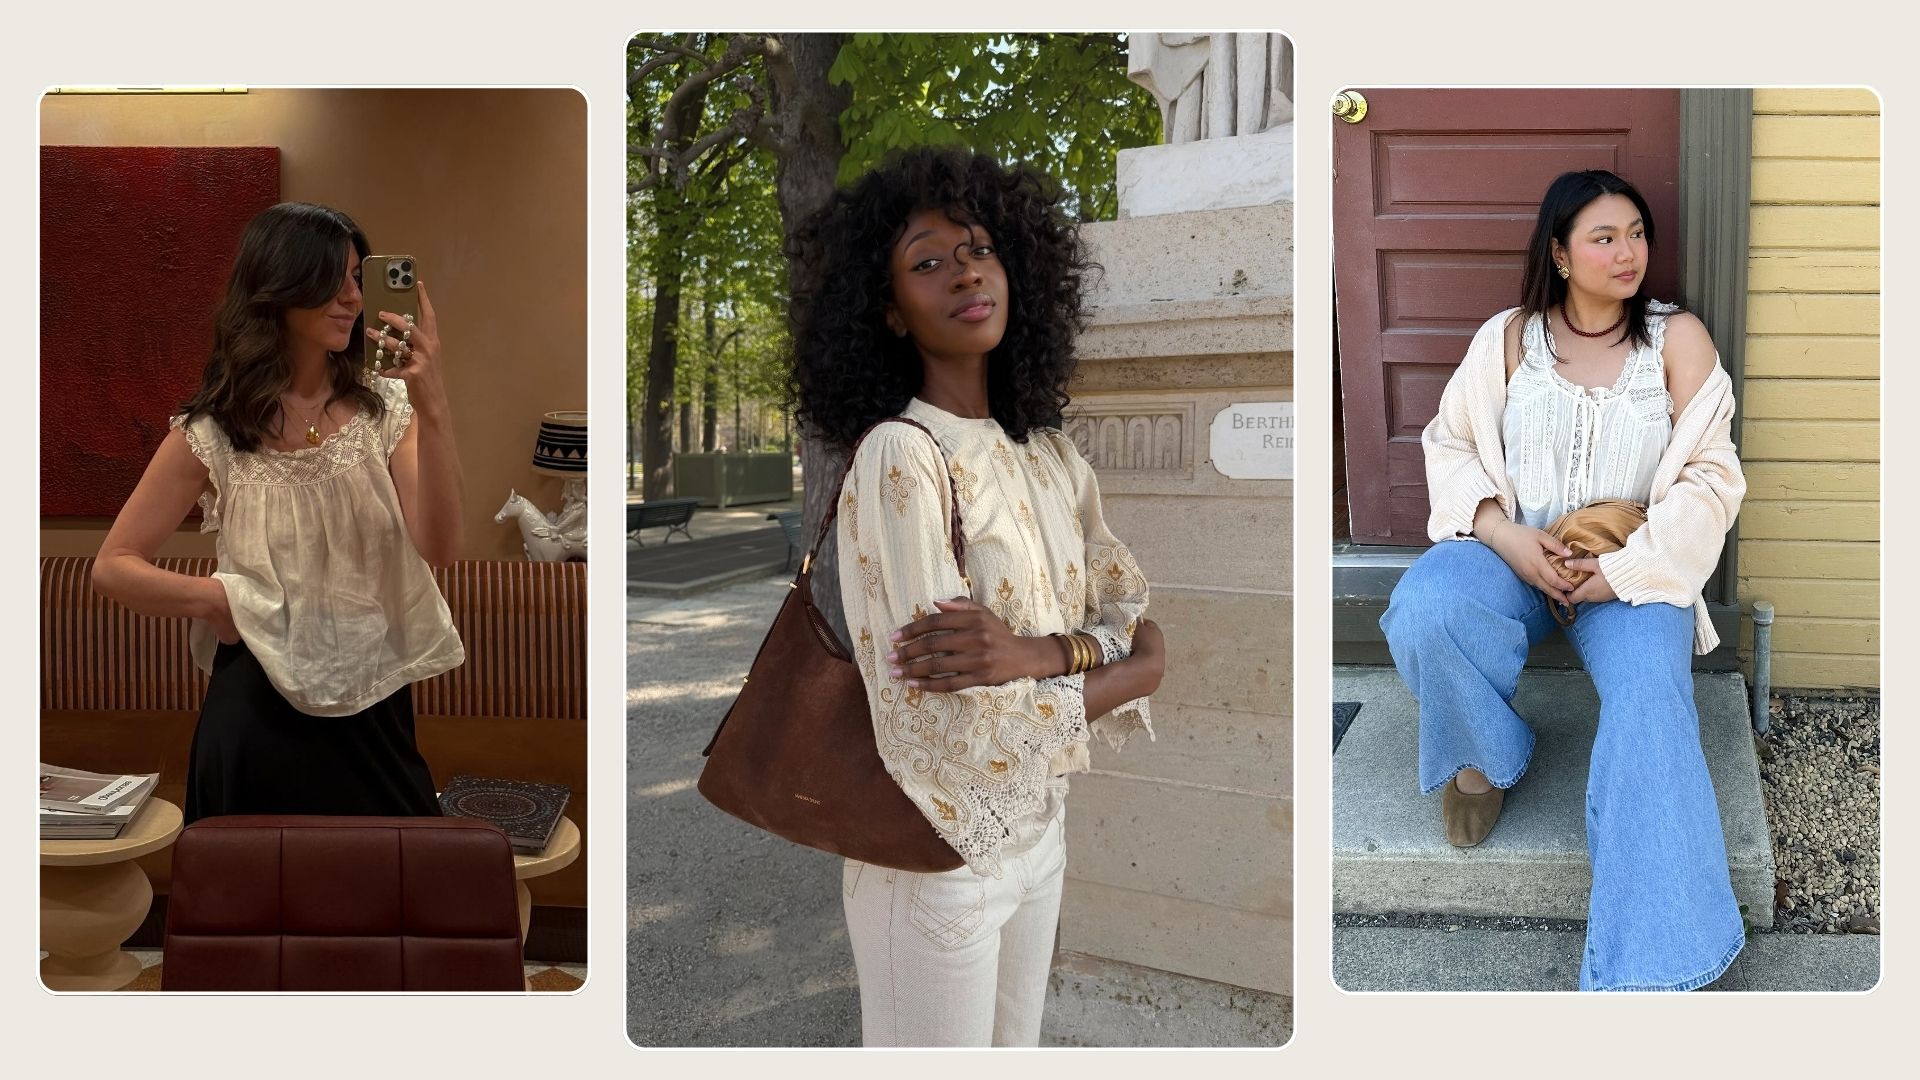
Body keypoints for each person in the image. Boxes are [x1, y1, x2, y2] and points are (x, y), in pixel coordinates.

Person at [788, 147, 1168, 1044]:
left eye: (980, 248)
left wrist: (1043, 656)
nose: (964, 270)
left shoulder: (1048, 455)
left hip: (1040, 834)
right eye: (927, 260)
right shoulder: (902, 456)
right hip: (935, 854)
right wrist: (1133, 668)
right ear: (888, 310)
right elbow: (953, 726)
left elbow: (1124, 610)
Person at [1381, 170, 1747, 991]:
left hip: (1631, 566)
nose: (1629, 253)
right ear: (1559, 250)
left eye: (1637, 235)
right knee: (1427, 606)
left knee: (1653, 696)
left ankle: (1655, 965)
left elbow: (1711, 480)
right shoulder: (1510, 339)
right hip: (1519, 553)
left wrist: (1625, 572)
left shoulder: (1676, 339)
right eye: (1604, 237)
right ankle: (1481, 757)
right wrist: (1506, 537)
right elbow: (1451, 444)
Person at [92, 201, 466, 824]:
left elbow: (442, 548)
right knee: (251, 904)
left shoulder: (384, 408)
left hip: (373, 693)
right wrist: (214, 600)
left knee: (387, 891)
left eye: (356, 277)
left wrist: (435, 404)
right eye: (335, 278)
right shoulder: (214, 429)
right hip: (254, 704)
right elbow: (113, 566)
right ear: (282, 285)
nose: (352, 297)